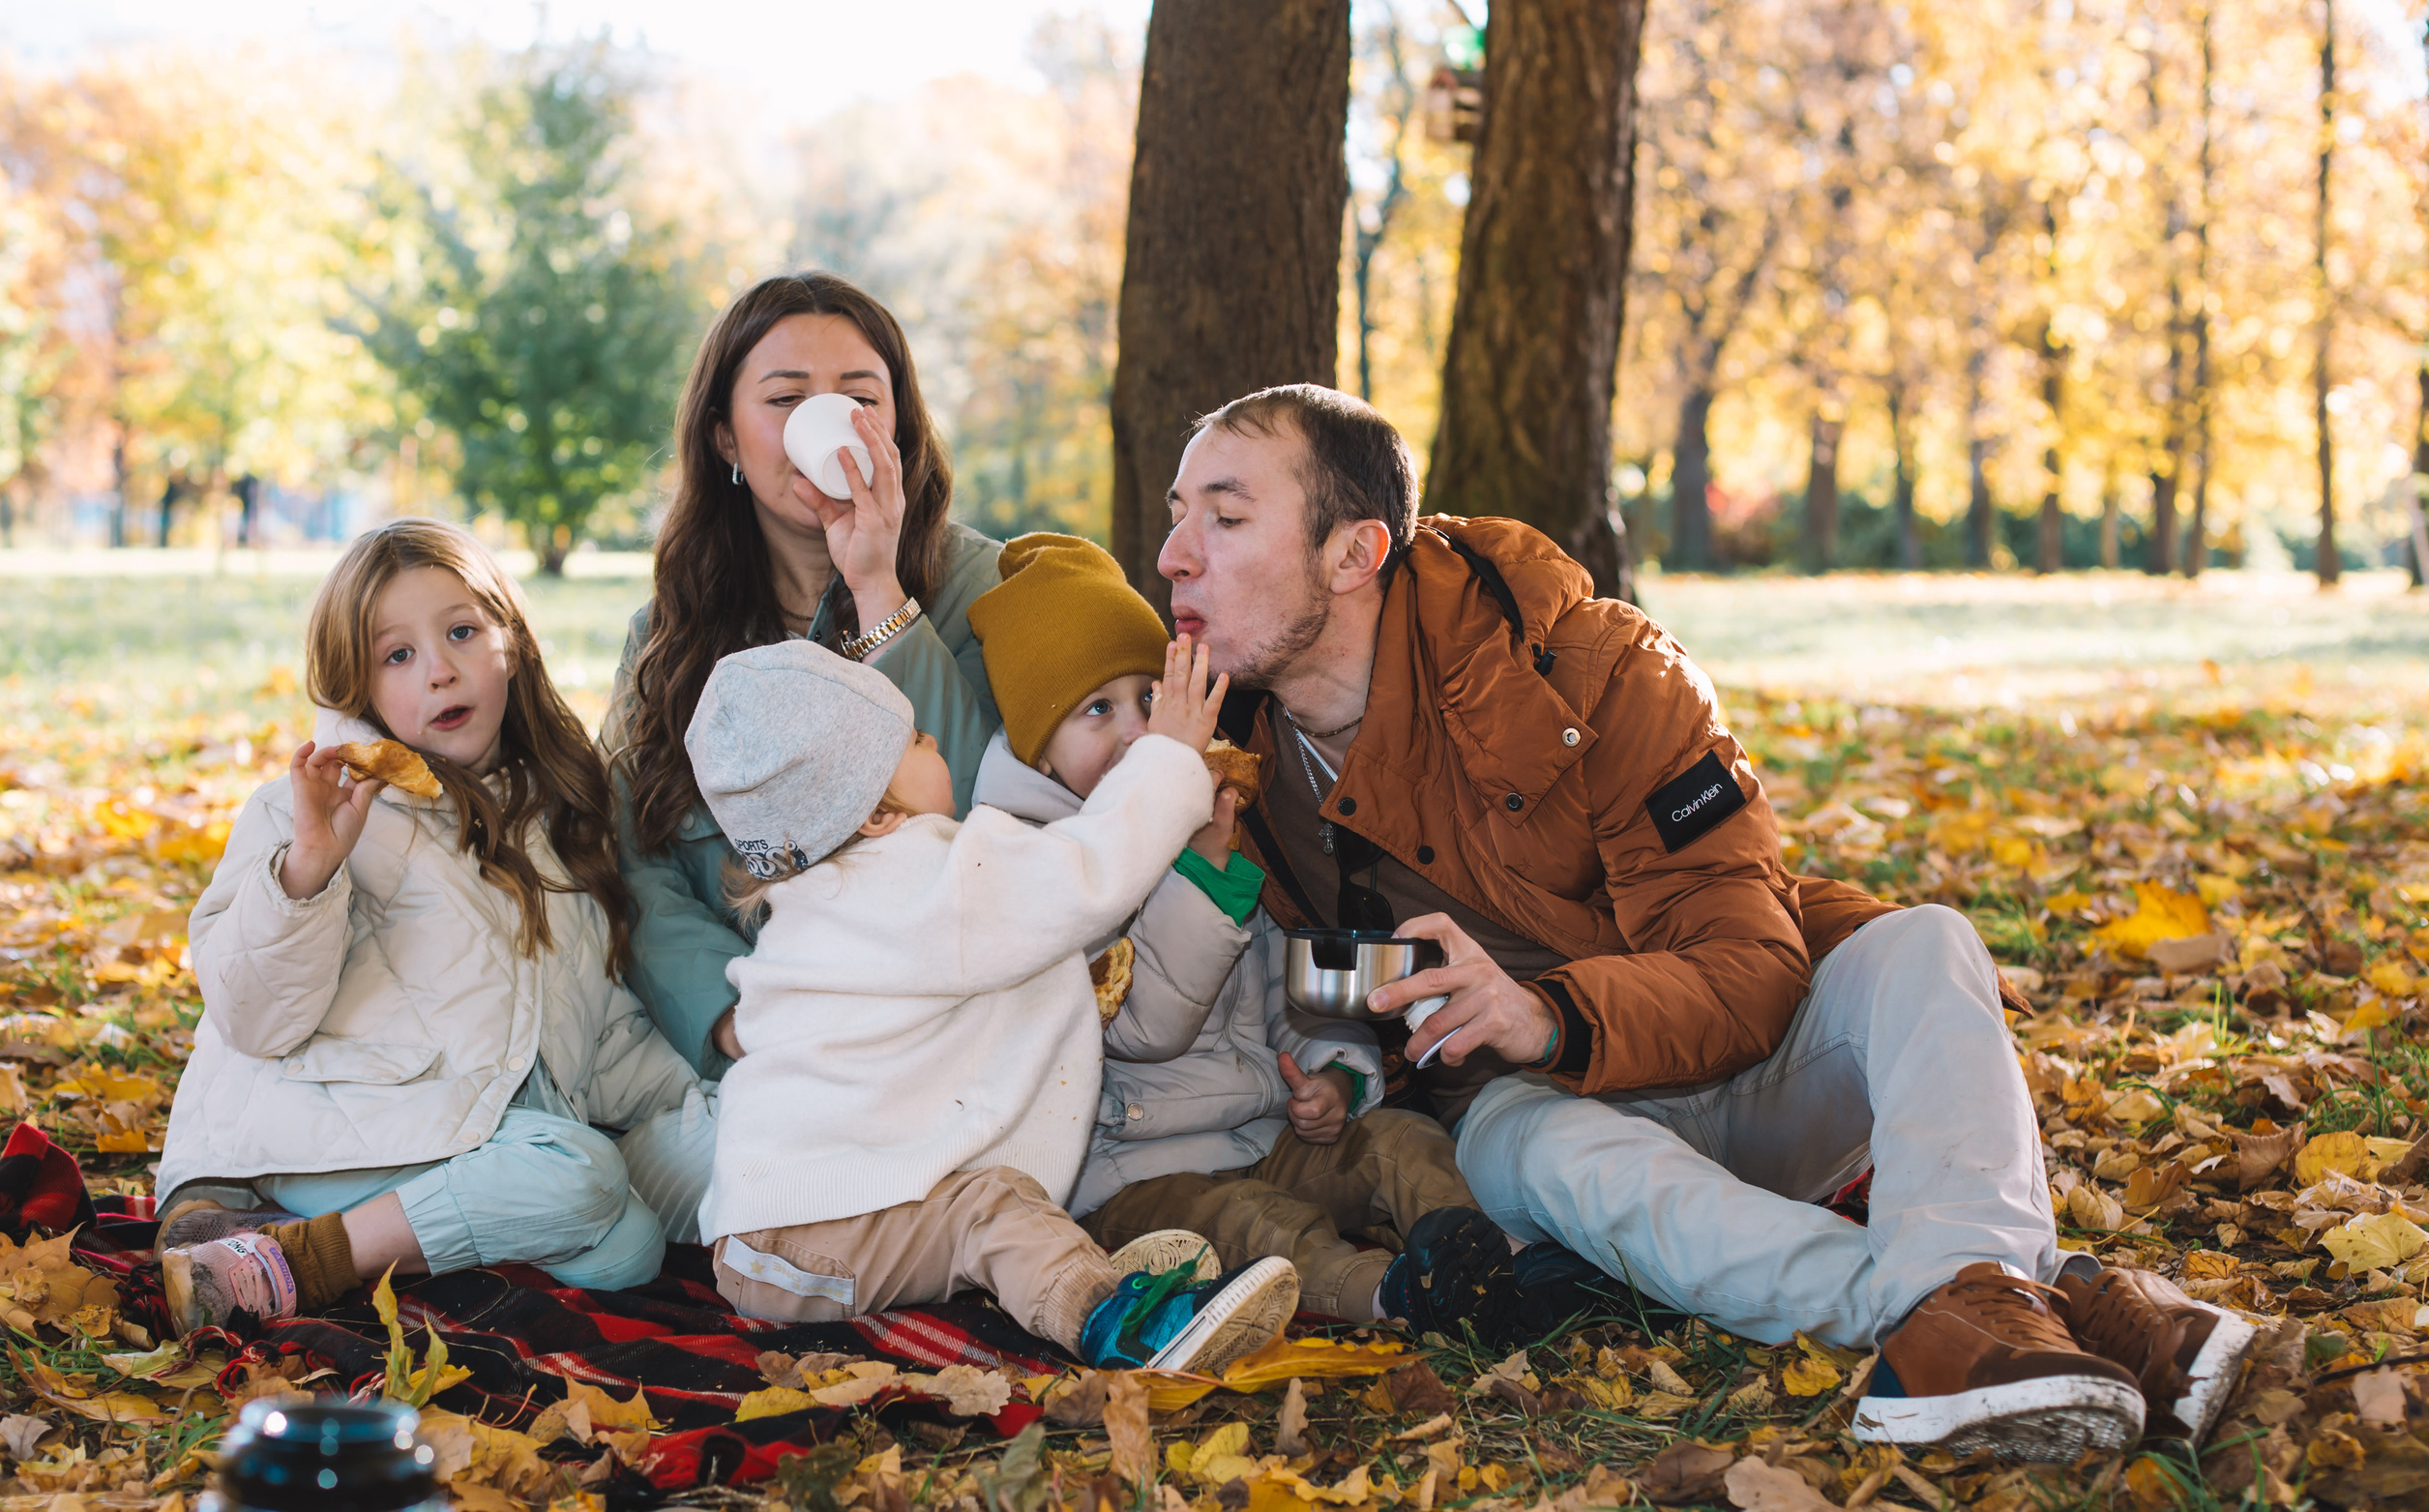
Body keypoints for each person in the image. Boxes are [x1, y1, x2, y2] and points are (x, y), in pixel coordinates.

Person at [1159, 384, 2256, 1461]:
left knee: (1924, 942)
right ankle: (2001, 1315)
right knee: (1519, 1141)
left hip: (1765, 1074)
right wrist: (1343, 1070)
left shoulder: (1601, 671)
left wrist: (1545, 1015)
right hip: (1566, 1153)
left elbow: (1750, 967)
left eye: (1225, 515)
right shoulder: (1222, 765)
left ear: (1355, 555)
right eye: (1174, 517)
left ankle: (1970, 1321)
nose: (1173, 555)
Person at [966, 533, 1533, 1343]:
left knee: (1401, 1141)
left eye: (1151, 700)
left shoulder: (1207, 812)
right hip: (1134, 1176)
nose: (1140, 734)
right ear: (1038, 750)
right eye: (1098, 710)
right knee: (1252, 1222)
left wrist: (1339, 1071)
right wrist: (1203, 878)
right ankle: (1398, 1294)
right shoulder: (1040, 867)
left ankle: (1484, 1262)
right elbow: (1143, 1027)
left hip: (1267, 1134)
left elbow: (1282, 974)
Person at [687, 636, 1298, 1369]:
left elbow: (1053, 914)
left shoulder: (841, 895)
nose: (936, 738)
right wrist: (1165, 759)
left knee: (987, 1205)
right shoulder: (917, 878)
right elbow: (1083, 875)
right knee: (988, 1211)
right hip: (803, 1240)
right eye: (914, 740)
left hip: (786, 1232)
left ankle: (1089, 1279)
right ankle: (1120, 1324)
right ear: (877, 813)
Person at [155, 520, 707, 1331]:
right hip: (323, 1131)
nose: (440, 669)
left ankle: (286, 1250)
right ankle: (296, 1256)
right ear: (361, 684)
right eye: (398, 655)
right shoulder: (313, 812)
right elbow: (254, 1015)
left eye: (460, 632)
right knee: (582, 1174)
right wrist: (310, 868)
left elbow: (597, 1026)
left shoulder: (558, 817)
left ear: (510, 643)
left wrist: (712, 1085)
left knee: (627, 1249)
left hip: (476, 1129)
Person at [607, 272, 1005, 1115]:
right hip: (755, 1054)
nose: (825, 424)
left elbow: (975, 815)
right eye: (785, 399)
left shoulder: (983, 586)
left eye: (860, 396)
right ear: (724, 439)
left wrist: (879, 590)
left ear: (898, 424)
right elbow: (632, 861)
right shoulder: (670, 630)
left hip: (953, 1040)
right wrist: (731, 1018)